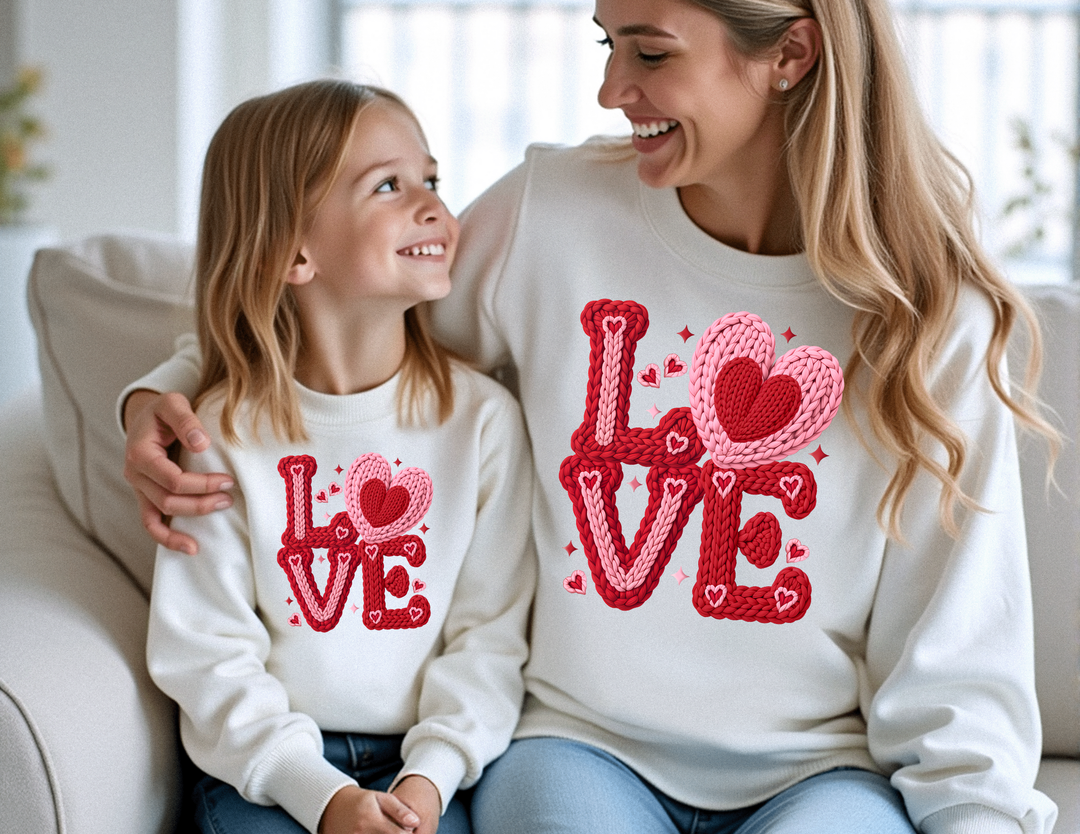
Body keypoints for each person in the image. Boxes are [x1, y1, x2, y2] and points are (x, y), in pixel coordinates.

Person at [123, 0, 1059, 832]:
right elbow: (336, 317)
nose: (611, 90)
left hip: (823, 771)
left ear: (790, 55)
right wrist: (164, 396)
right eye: (607, 44)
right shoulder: (552, 213)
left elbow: (960, 650)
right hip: (577, 746)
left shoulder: (927, 316)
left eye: (650, 53)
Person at [140, 79, 535, 834]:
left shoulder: (483, 424)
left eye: (432, 179)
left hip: (425, 769)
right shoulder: (220, 436)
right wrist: (322, 797)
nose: (434, 207)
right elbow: (208, 654)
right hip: (265, 772)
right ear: (294, 250)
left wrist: (429, 780)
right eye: (388, 185)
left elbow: (490, 639)